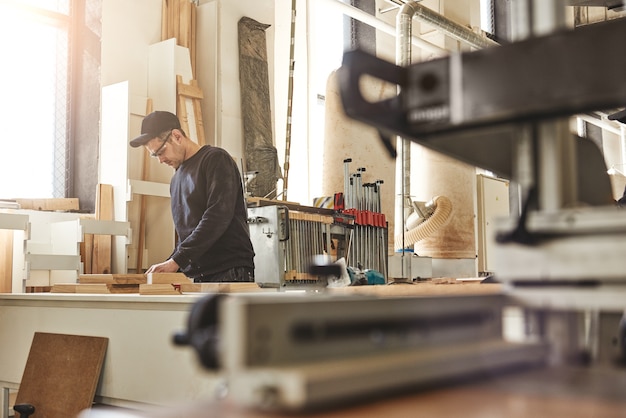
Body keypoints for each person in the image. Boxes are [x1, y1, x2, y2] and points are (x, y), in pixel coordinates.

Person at [130, 110, 255, 282]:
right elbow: (187, 234)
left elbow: (217, 216)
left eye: (161, 151)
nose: (160, 160)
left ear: (177, 136)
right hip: (199, 274)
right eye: (155, 155)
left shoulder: (215, 160)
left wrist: (177, 260)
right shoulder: (176, 180)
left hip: (228, 269)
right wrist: (170, 262)